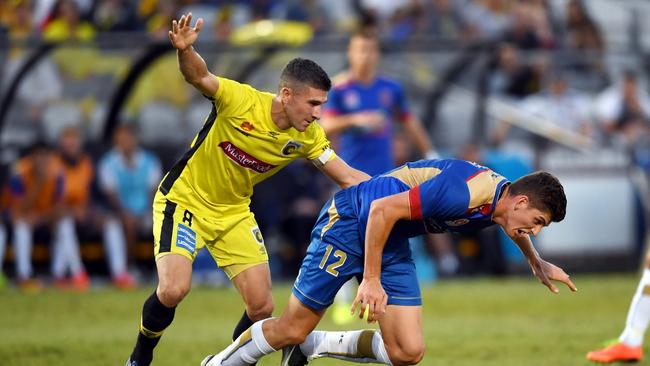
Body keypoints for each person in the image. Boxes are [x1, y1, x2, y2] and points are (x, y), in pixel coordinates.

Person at [125, 13, 370, 366]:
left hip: (233, 211)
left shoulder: (308, 137)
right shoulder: (240, 100)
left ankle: (229, 361)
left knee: (261, 307)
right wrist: (184, 51)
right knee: (173, 289)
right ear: (286, 95)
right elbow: (200, 76)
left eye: (322, 105)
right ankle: (140, 356)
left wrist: (397, 189)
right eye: (313, 103)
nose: (318, 114)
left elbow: (346, 176)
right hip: (185, 199)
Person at [201, 158, 576, 366]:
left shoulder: (502, 203)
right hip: (351, 222)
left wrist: (536, 261)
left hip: (390, 236)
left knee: (407, 352)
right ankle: (216, 365)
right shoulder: (463, 193)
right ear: (522, 203)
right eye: (538, 223)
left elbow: (516, 228)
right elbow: (381, 209)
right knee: (290, 327)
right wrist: (371, 279)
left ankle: (312, 346)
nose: (535, 231)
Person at [321, 29, 436, 177]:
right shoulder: (339, 88)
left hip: (384, 172)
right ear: (350, 53)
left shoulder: (391, 88)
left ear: (378, 54)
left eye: (371, 50)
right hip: (349, 173)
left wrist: (431, 154)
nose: (366, 56)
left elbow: (409, 121)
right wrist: (354, 120)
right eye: (361, 50)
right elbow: (325, 126)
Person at [56, 126, 136, 289]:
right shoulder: (54, 165)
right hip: (59, 213)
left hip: (86, 211)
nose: (71, 147)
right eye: (68, 144)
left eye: (74, 143)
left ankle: (119, 274)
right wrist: (72, 210)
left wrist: (92, 211)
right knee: (64, 223)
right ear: (61, 146)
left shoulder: (88, 164)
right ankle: (77, 274)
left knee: (111, 223)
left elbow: (95, 195)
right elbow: (52, 198)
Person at [8, 141, 88, 292]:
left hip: (44, 218)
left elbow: (60, 208)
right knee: (21, 227)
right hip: (25, 218)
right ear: (32, 157)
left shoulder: (57, 173)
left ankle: (72, 273)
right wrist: (39, 183)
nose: (42, 160)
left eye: (46, 156)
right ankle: (24, 276)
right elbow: (18, 209)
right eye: (39, 156)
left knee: (65, 223)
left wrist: (40, 218)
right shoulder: (19, 173)